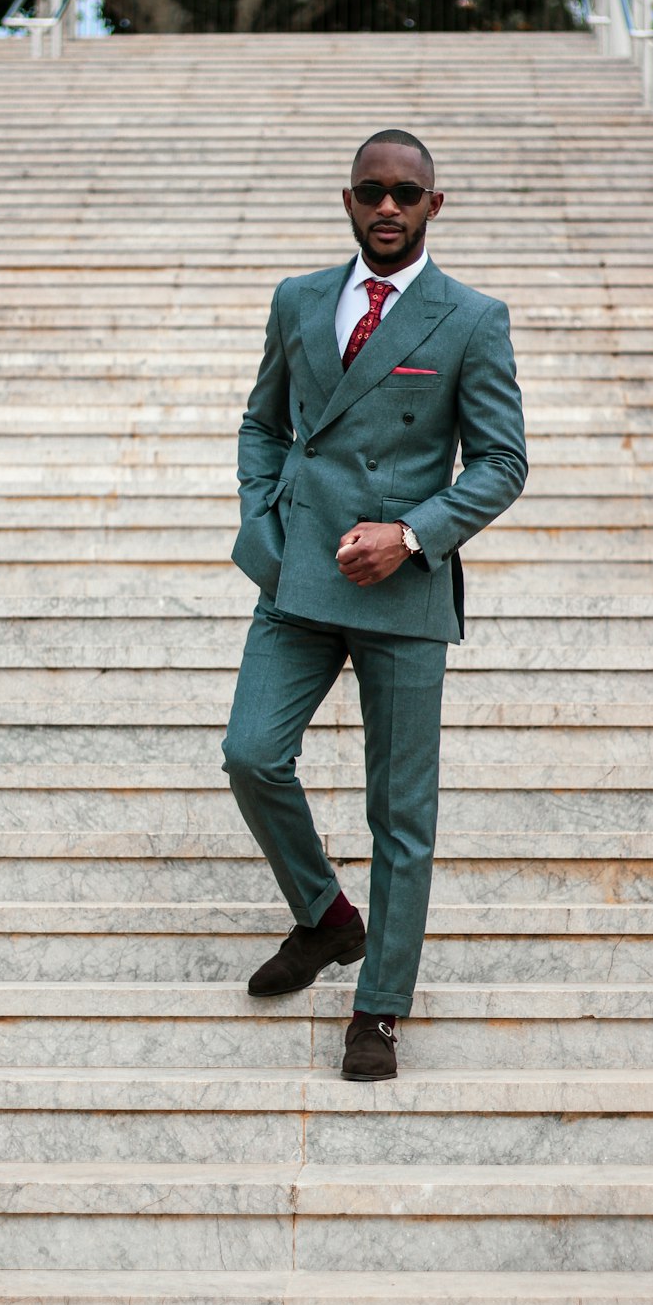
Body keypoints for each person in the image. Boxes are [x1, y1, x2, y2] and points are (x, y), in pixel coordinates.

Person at [221, 128, 527, 1081]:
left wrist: (413, 533)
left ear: (436, 204)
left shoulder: (471, 318)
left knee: (400, 815)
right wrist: (263, 527)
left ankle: (379, 1010)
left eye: (405, 192)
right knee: (251, 755)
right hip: (299, 576)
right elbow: (262, 423)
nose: (386, 206)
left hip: (403, 589)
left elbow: (504, 465)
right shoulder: (299, 299)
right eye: (369, 191)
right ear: (347, 200)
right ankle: (325, 917)